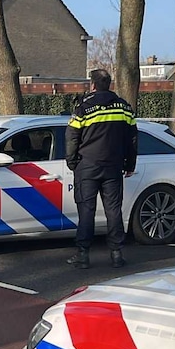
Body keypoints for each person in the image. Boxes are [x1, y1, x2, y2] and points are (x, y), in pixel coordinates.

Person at [65, 69, 137, 270]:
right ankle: (116, 254)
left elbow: (71, 137)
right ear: (109, 84)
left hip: (87, 166)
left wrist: (72, 162)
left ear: (93, 85)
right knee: (113, 211)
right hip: (113, 167)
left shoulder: (84, 107)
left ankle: (83, 255)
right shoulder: (124, 108)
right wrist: (130, 164)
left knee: (86, 211)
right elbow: (132, 138)